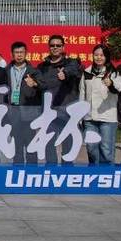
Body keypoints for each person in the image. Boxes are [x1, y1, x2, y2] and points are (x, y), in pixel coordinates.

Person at [37, 35, 81, 163]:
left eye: (58, 45)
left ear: (63, 47)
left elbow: (73, 70)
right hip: (48, 112)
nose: (55, 48)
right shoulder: (42, 66)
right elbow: (39, 85)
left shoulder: (70, 63)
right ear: (49, 47)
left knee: (67, 144)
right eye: (52, 45)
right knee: (49, 145)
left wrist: (65, 73)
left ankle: (67, 171)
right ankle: (51, 170)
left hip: (66, 111)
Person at [79, 44, 121, 164]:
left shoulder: (113, 73)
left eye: (102, 55)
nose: (98, 57)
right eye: (96, 55)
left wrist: (110, 84)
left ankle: (107, 173)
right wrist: (80, 115)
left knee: (106, 149)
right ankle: (94, 172)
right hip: (89, 118)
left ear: (106, 57)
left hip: (107, 117)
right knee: (91, 148)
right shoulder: (87, 72)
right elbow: (82, 93)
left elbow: (118, 89)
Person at [5, 42, 44, 164]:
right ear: (11, 54)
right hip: (13, 111)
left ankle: (32, 171)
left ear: (26, 53)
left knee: (30, 144)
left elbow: (44, 86)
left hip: (28, 111)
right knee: (16, 144)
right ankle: (17, 169)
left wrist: (35, 84)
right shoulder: (6, 70)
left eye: (21, 52)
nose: (19, 55)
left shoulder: (34, 71)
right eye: (16, 52)